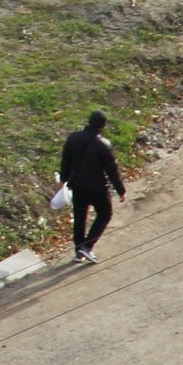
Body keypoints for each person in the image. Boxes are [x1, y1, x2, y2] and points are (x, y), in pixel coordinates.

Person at [58, 109, 126, 263]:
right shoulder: (103, 145)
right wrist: (120, 190)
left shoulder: (73, 138)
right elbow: (112, 170)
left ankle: (79, 252)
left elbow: (66, 160)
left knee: (80, 217)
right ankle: (87, 246)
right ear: (102, 126)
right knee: (105, 213)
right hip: (97, 188)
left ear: (89, 122)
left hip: (77, 185)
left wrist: (64, 178)